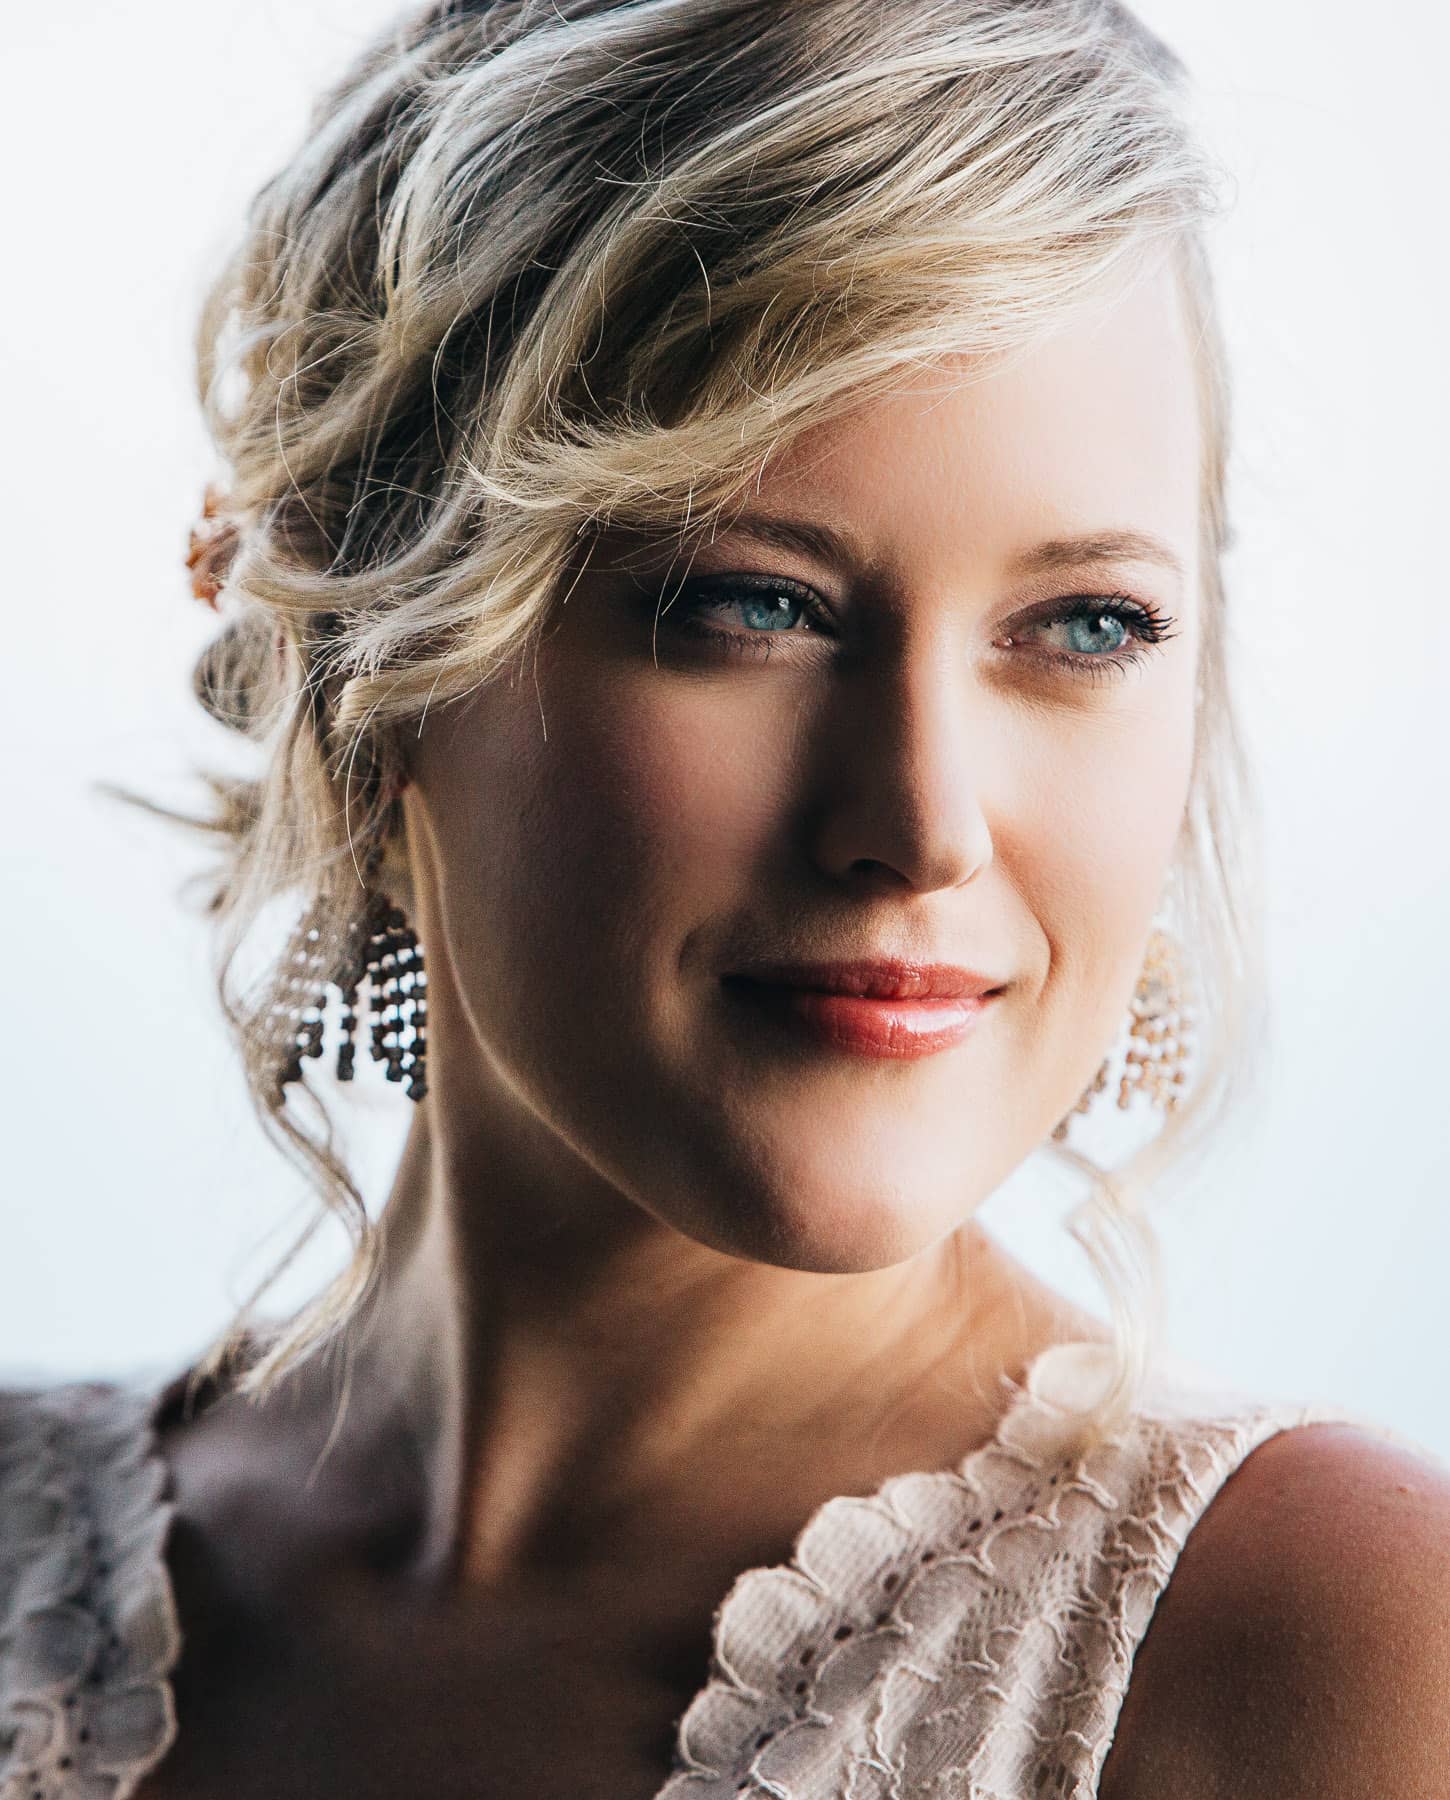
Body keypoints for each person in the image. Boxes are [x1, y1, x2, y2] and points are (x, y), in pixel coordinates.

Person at [3, 2, 1447, 1796]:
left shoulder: (1341, 1651)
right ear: (366, 653)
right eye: (751, 603)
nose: (921, 827)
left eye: (1086, 625)